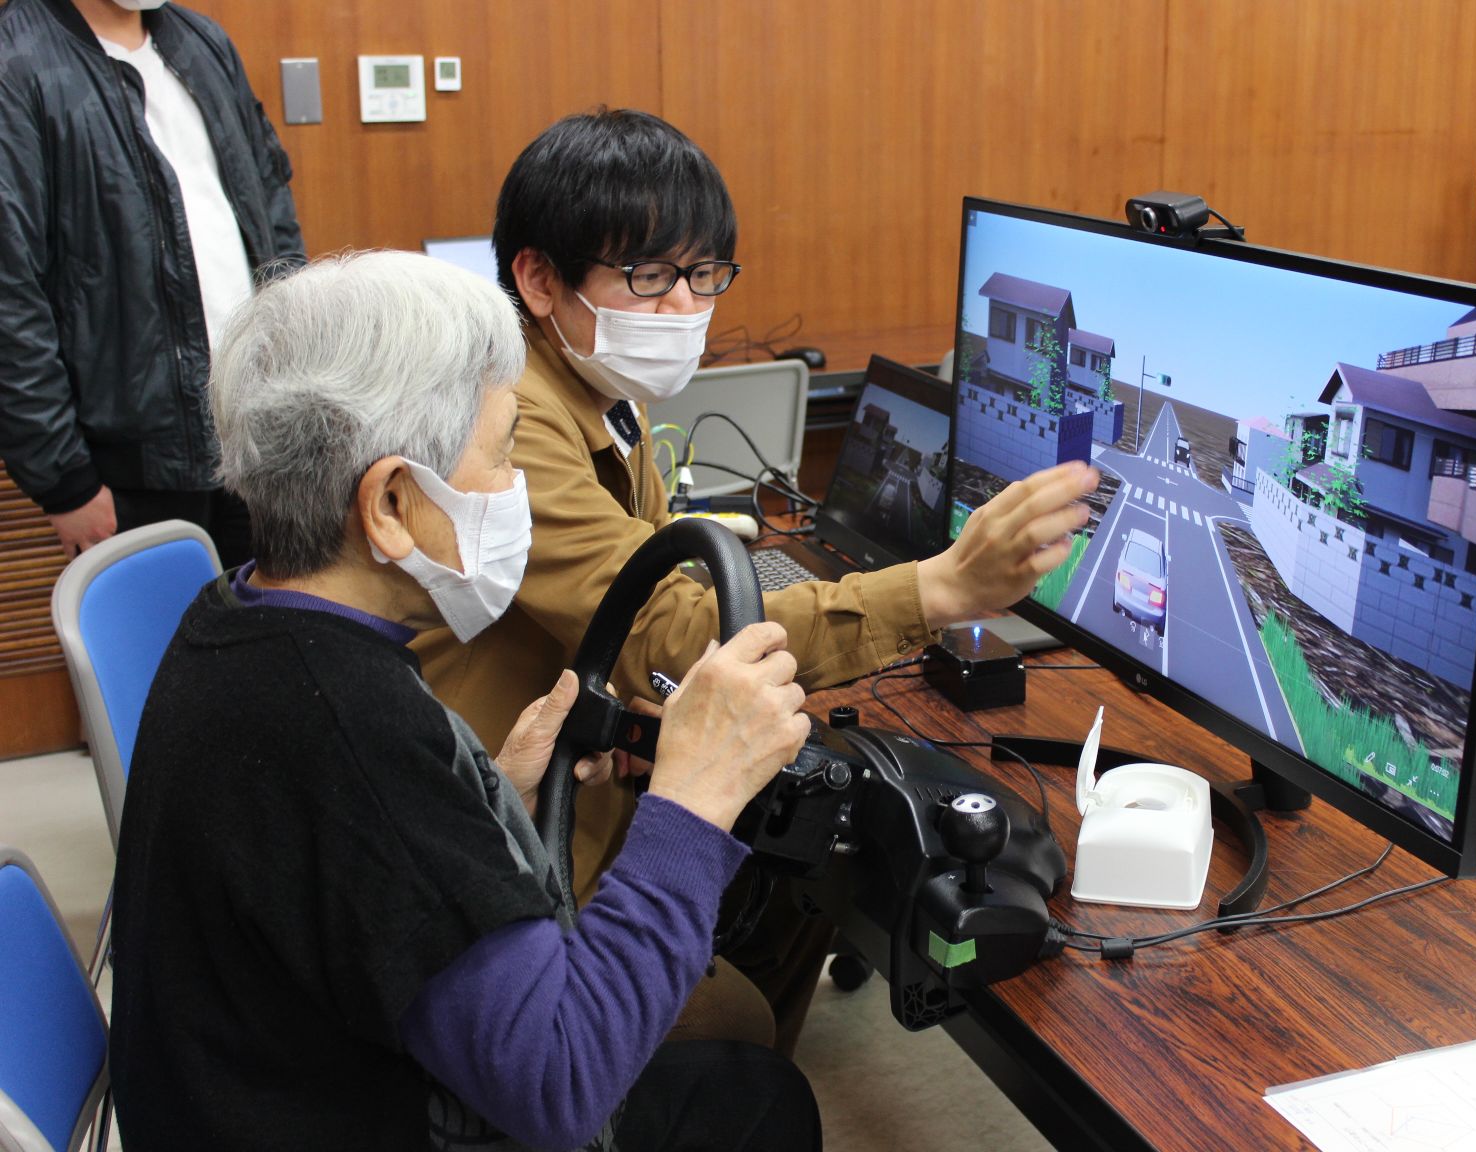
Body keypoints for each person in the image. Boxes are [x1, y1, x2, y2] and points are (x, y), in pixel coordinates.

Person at [412, 108, 1100, 1050]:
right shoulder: (516, 420)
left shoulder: (599, 398)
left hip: (576, 761)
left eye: (703, 277)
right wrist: (936, 590)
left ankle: (723, 1075)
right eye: (648, 278)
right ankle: (711, 1080)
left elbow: (651, 603)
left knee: (811, 828)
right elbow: (674, 632)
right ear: (537, 277)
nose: (683, 309)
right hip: (517, 830)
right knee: (800, 861)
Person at [108, 251, 822, 1152]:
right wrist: (692, 803)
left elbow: (356, 872)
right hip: (348, 1114)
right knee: (760, 1103)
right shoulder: (352, 725)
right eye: (501, 455)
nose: (515, 489)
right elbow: (562, 1087)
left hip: (254, 1088)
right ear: (393, 503)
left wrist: (490, 795)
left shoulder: (238, 619)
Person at [0, 0, 304, 566]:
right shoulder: (16, 64)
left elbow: (271, 210)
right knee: (160, 650)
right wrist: (64, 480)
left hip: (258, 436)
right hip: (128, 466)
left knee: (266, 643)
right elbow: (9, 298)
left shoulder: (202, 43)